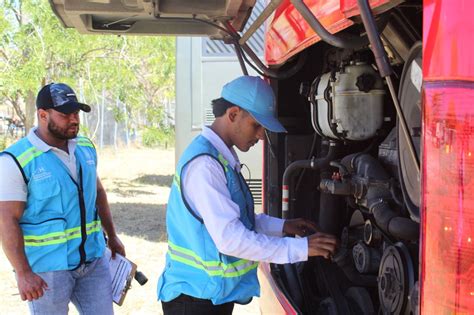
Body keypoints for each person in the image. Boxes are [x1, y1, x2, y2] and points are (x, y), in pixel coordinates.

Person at [157, 76, 338, 315]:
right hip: (194, 300)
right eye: (256, 125)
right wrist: (301, 249)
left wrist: (284, 226)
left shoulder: (219, 158)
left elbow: (239, 219)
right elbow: (231, 238)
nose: (262, 136)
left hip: (209, 294)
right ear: (233, 114)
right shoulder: (206, 166)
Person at [0, 83, 125, 315]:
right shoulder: (16, 160)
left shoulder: (85, 148)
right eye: (65, 114)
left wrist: (113, 235)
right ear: (43, 114)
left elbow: (97, 192)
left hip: (93, 260)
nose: (74, 119)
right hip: (47, 270)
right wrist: (23, 272)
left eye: (76, 113)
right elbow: (6, 219)